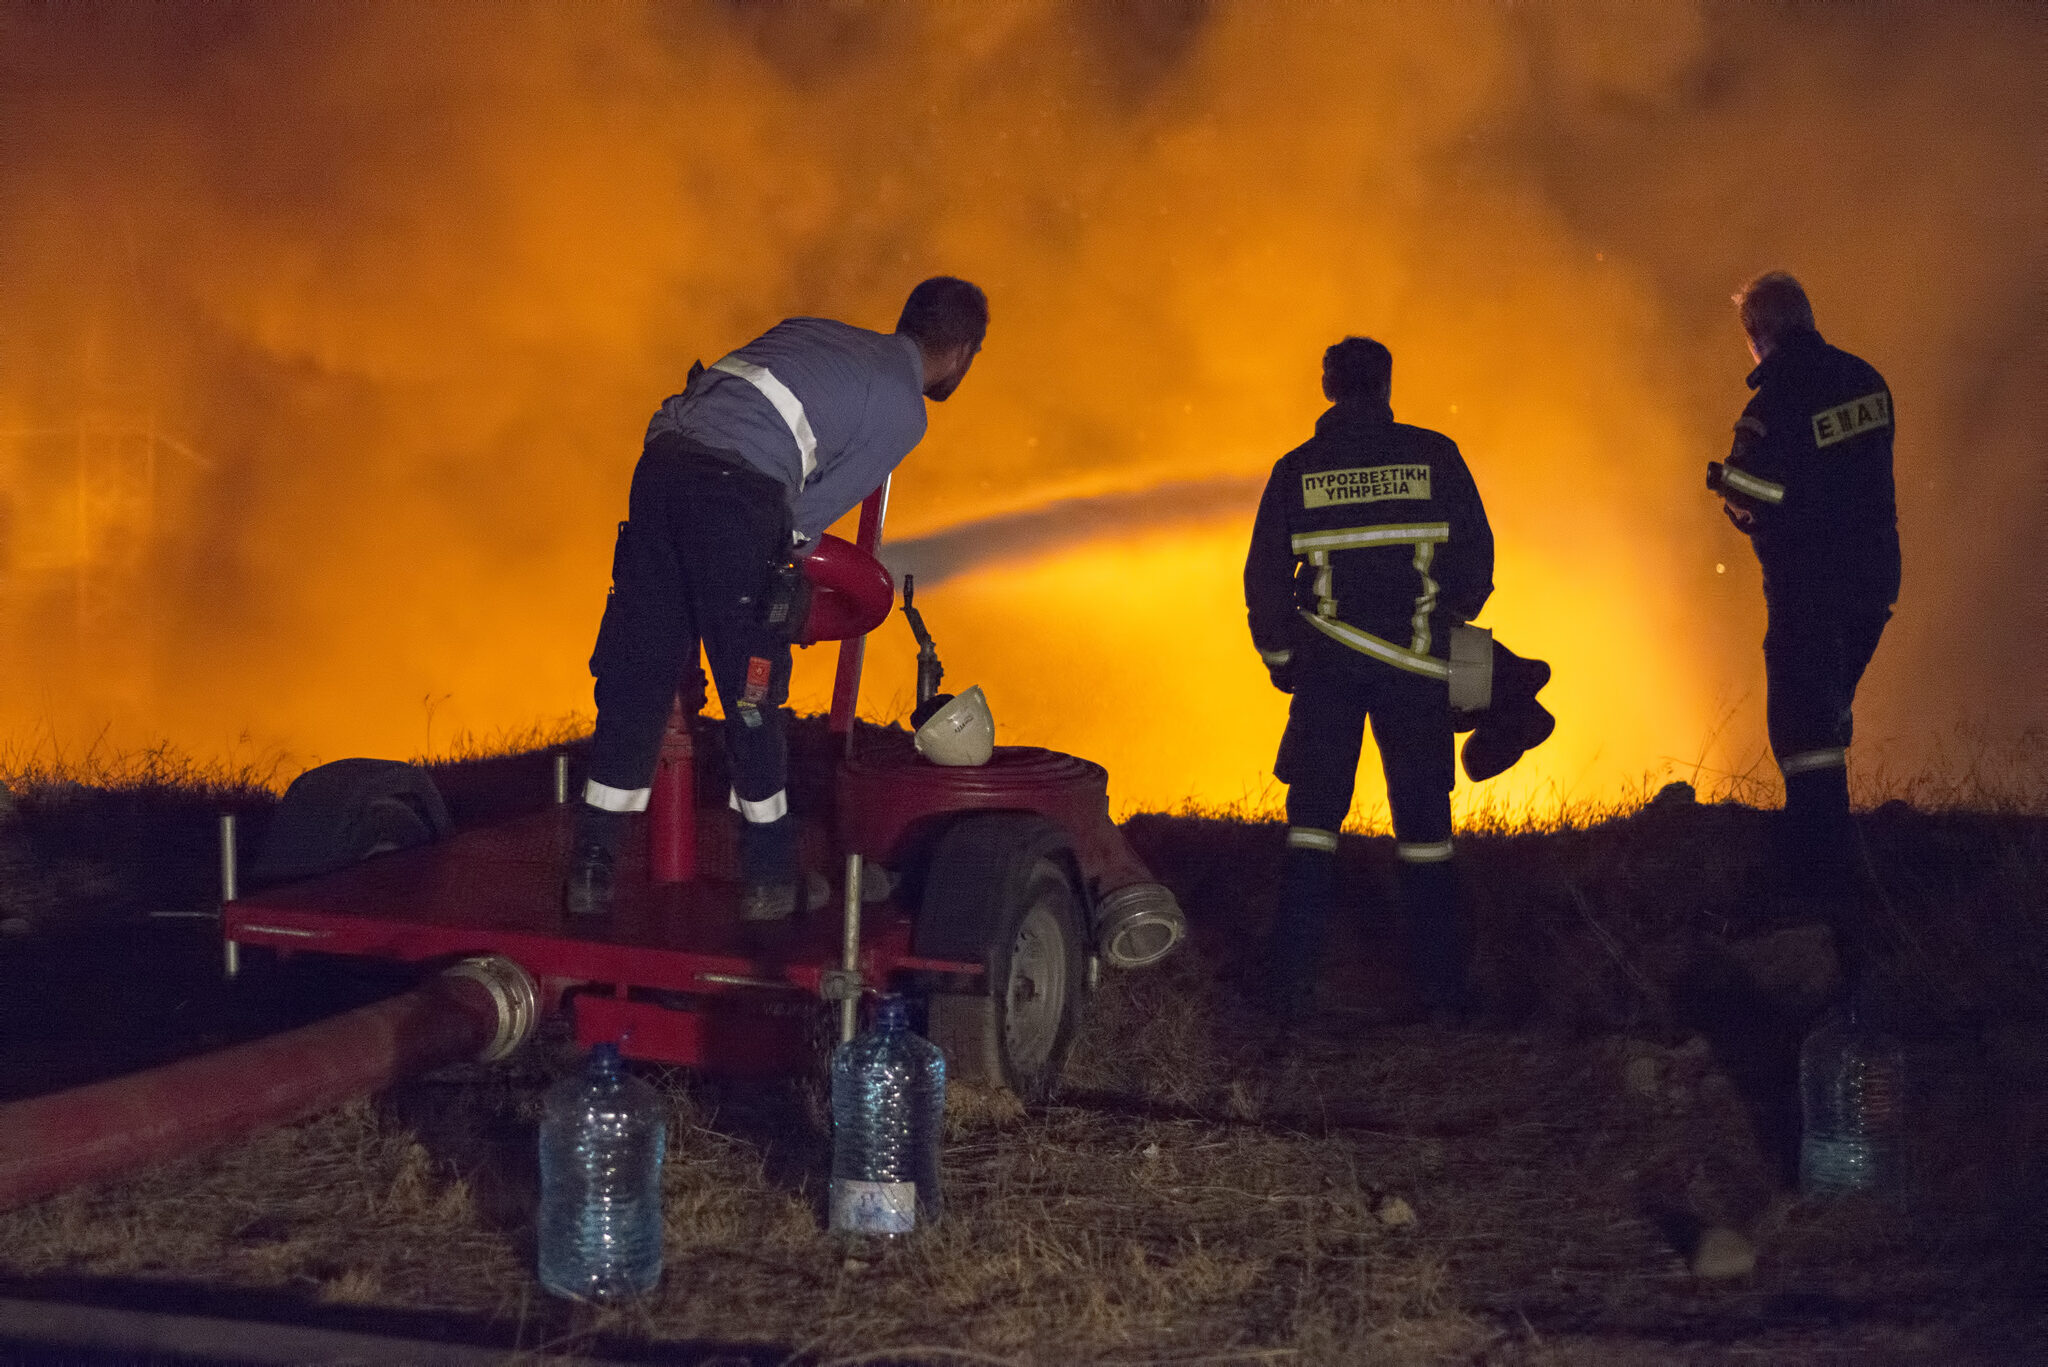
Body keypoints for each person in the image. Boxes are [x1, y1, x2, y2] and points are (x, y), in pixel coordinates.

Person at [566, 277, 988, 920]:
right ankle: (767, 878)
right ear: (961, 353)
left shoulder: (811, 329)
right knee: (754, 694)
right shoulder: (905, 409)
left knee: (637, 677)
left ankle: (591, 871)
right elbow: (804, 514)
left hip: (660, 471)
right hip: (736, 497)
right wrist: (773, 567)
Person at [1244, 337, 1494, 1026]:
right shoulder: (1435, 454)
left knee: (1313, 829)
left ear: (1327, 386)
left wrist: (1282, 660)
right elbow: (1477, 556)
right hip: (1418, 673)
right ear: (1386, 384)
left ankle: (1289, 991)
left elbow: (1265, 581)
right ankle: (1442, 992)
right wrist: (1447, 620)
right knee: (1425, 830)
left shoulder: (1297, 469)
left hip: (1325, 673)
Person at [1709, 271, 1898, 899]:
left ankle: (1821, 863)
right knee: (1829, 703)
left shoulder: (1771, 405)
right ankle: (1831, 845)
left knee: (1801, 721)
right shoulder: (1867, 380)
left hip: (1808, 585)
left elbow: (1770, 495)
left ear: (1757, 335)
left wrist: (1728, 484)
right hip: (1872, 578)